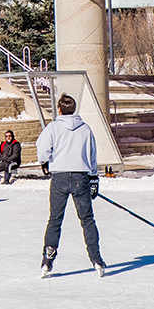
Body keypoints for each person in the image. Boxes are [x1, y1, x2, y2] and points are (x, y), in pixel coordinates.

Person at [36, 94, 105, 278]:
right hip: (80, 178)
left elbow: (42, 151)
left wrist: (45, 161)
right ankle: (96, 258)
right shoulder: (85, 129)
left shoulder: (53, 128)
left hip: (59, 177)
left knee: (55, 220)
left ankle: (48, 259)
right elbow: (92, 155)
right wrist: (93, 179)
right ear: (74, 110)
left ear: (59, 110)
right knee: (87, 220)